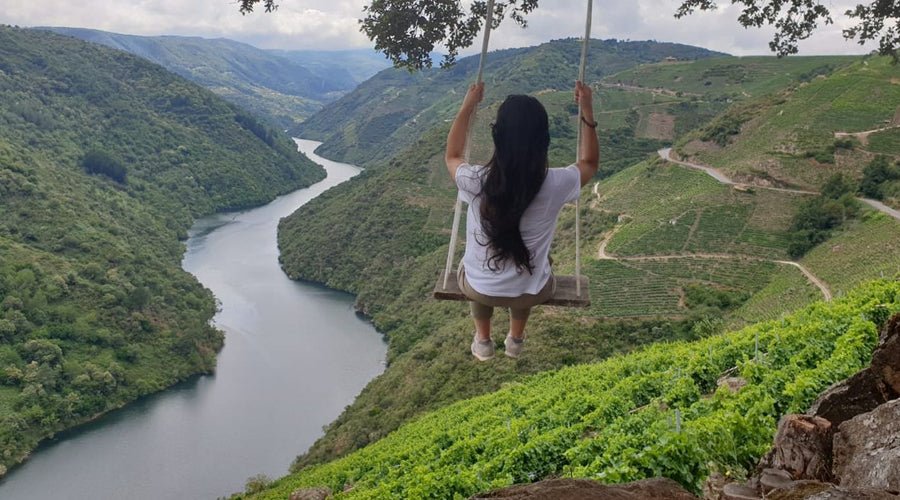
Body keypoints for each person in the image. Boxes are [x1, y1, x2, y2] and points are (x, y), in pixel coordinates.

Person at [445, 81, 599, 361]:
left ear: (498, 137)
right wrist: (586, 108)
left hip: (479, 289)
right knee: (536, 266)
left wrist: (468, 105)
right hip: (531, 293)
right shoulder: (556, 183)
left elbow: (453, 155)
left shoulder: (475, 180)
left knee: (470, 267)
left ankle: (483, 340)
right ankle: (515, 339)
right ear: (544, 140)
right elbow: (589, 163)